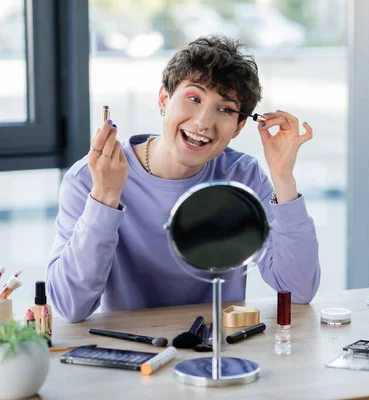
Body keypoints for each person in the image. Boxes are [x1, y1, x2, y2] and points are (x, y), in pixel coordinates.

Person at [46, 35, 321, 323]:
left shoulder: (242, 176)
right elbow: (70, 305)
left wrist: (283, 177)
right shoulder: (90, 178)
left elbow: (298, 290)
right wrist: (104, 198)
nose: (203, 121)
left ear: (239, 127)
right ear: (164, 99)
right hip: (130, 353)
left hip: (218, 350)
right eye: (194, 98)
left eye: (225, 109)